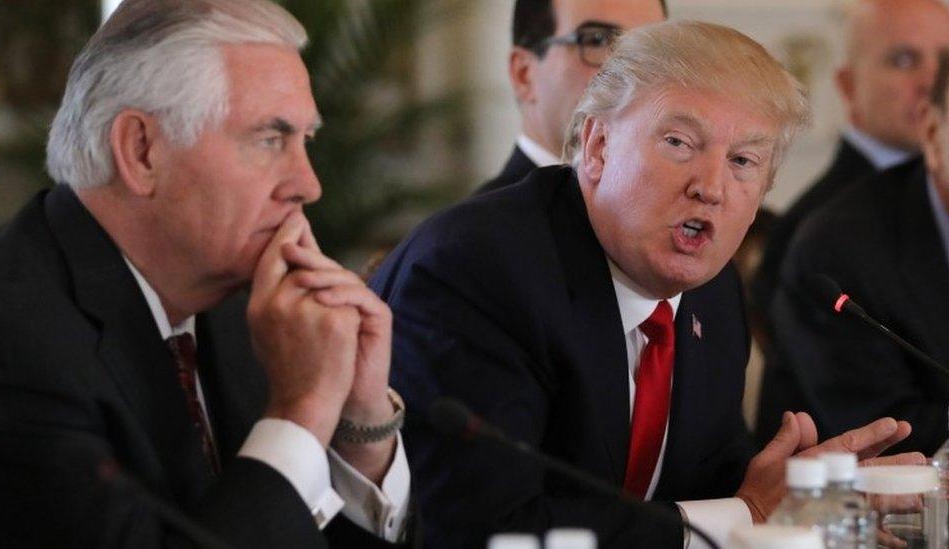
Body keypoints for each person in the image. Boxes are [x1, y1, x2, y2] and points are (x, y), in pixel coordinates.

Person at [370, 20, 920, 549]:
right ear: (598, 147)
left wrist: (801, 501)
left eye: (743, 160)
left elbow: (716, 488)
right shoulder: (482, 269)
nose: (710, 187)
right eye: (679, 142)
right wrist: (743, 516)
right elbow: (485, 528)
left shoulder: (714, 293)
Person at [0, 0, 410, 547]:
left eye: (306, 141)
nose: (308, 184)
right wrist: (301, 411)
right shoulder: (2, 340)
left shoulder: (246, 309)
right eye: (270, 139)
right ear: (142, 150)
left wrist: (359, 421)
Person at [754, 0, 949, 440]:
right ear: (847, 84)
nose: (932, 80)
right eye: (903, 59)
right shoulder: (824, 232)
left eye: (946, 59)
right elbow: (883, 427)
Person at [476, 0, 666, 194]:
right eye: (596, 40)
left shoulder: (674, 212)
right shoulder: (480, 222)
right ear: (523, 74)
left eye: (649, 47)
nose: (633, 73)